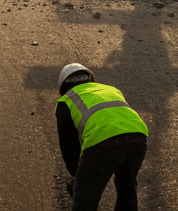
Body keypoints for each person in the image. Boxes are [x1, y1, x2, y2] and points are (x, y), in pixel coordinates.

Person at [55, 63, 148, 211]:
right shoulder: (110, 89)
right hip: (138, 136)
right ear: (90, 79)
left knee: (85, 199)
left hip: (103, 141)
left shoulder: (66, 101)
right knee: (127, 189)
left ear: (64, 86)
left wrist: (77, 175)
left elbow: (69, 147)